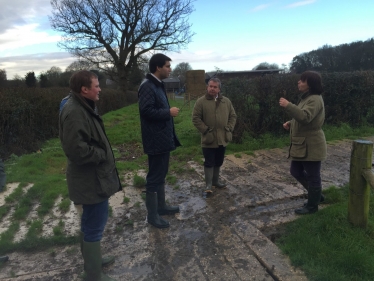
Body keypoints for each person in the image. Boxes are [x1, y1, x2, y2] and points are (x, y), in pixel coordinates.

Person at [59, 70, 121, 281]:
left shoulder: (81, 105)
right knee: (94, 224)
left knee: (90, 223)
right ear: (84, 89)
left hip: (91, 178)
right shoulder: (75, 111)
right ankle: (94, 274)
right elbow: (76, 150)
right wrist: (102, 154)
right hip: (90, 181)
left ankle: (92, 262)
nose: (100, 89)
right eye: (96, 85)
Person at [138, 53, 181, 229]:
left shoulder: (157, 84)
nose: (170, 69)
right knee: (154, 178)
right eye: (167, 66)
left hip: (162, 138)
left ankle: (161, 207)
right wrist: (168, 113)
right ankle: (152, 216)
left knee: (161, 174)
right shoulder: (148, 86)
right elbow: (146, 111)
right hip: (155, 140)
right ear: (158, 67)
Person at [279, 70, 327, 215]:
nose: (299, 82)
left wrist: (288, 105)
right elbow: (302, 118)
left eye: (302, 80)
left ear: (310, 84)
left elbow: (305, 117)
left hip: (311, 145)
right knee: (295, 171)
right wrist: (290, 122)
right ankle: (316, 196)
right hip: (302, 145)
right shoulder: (307, 98)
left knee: (313, 176)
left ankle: (312, 206)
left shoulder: (315, 99)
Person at [192, 78, 237, 198]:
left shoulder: (226, 101)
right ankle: (208, 185)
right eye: (210, 86)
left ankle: (216, 181)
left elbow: (233, 116)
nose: (212, 88)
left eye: (215, 87)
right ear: (207, 87)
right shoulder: (201, 102)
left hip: (223, 138)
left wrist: (229, 128)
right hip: (209, 139)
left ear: (219, 89)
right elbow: (195, 118)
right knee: (209, 162)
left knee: (219, 161)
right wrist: (205, 129)